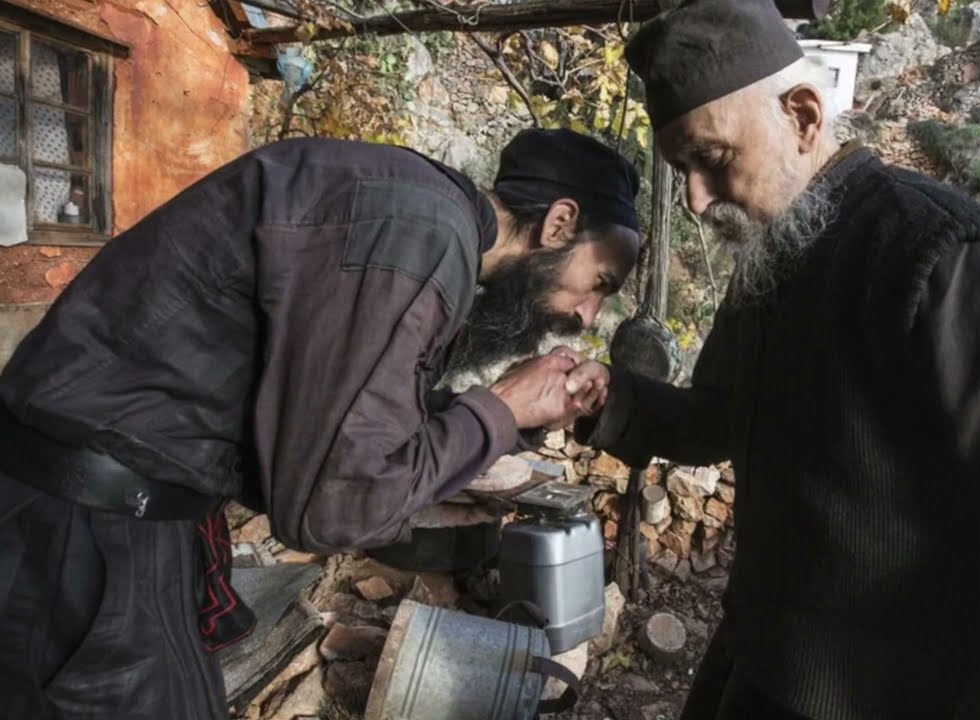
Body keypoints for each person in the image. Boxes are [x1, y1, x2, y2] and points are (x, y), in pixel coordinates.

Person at [562, 1, 980, 718]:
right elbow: (723, 416)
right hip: (759, 663)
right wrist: (607, 399)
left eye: (709, 159)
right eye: (681, 170)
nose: (697, 200)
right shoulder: (776, 251)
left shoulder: (937, 262)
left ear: (802, 115)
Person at [0, 128, 639, 720]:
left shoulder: (415, 209)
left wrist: (520, 412)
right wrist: (502, 409)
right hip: (77, 536)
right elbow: (339, 508)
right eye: (599, 283)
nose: (587, 316)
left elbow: (355, 422)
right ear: (559, 223)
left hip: (108, 519)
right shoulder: (419, 233)